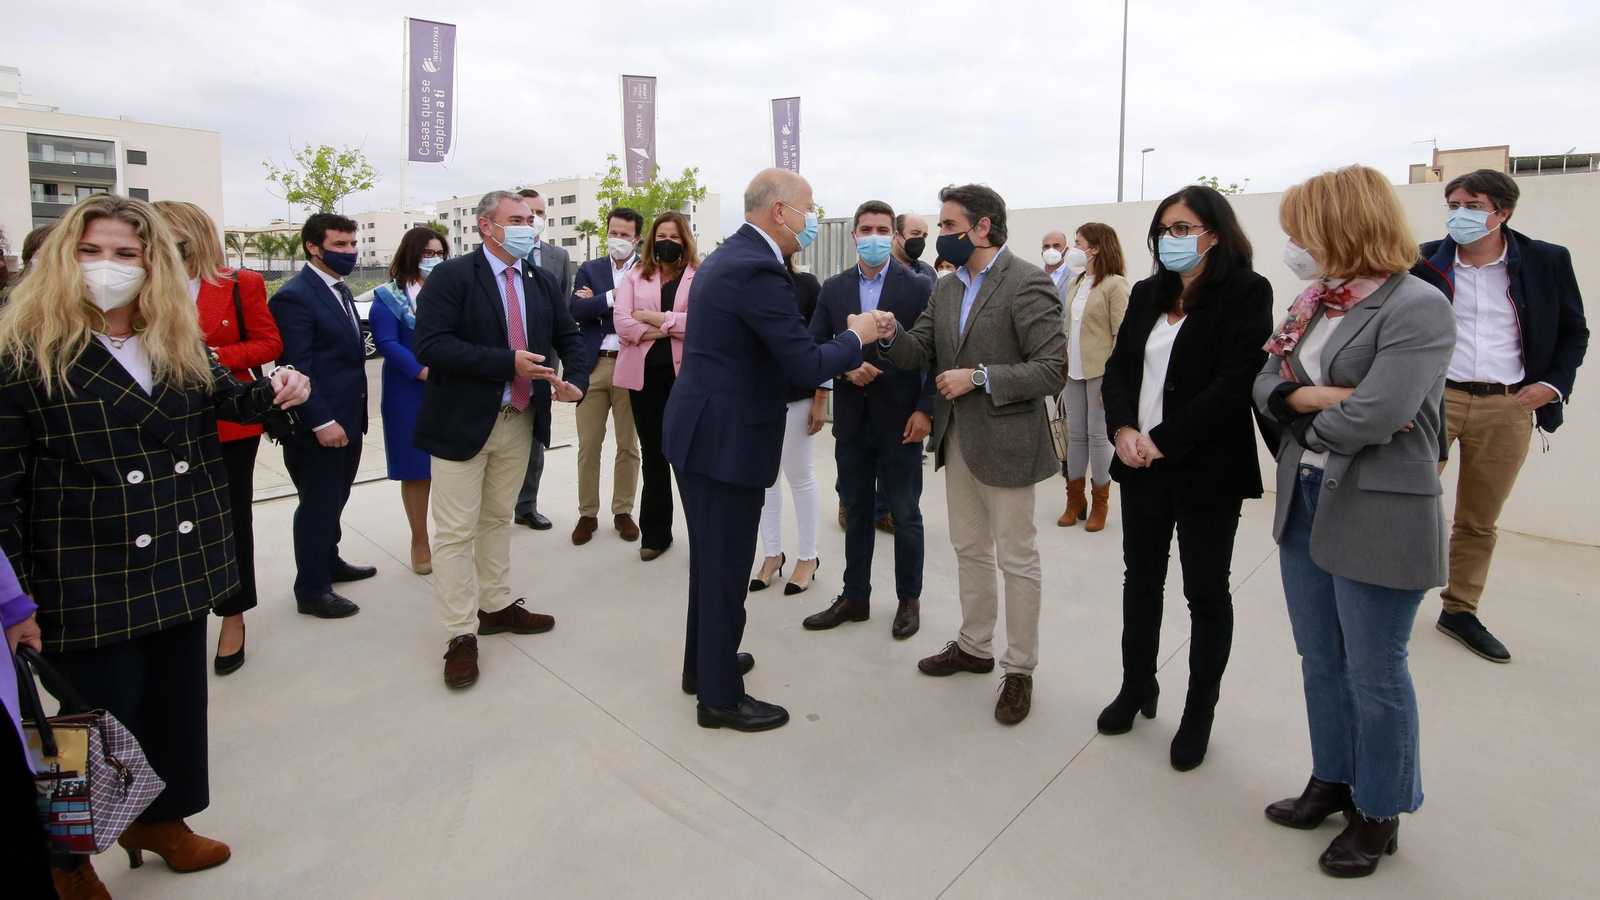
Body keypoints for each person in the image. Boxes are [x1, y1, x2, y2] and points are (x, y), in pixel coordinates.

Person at [0, 194, 311, 896]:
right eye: (90, 251)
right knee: (81, 729)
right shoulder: (22, 352)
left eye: (126, 254)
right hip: (81, 570)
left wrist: (275, 392)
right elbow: (2, 494)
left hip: (177, 556)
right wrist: (14, 601)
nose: (106, 267)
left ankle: (160, 821)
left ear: (154, 267)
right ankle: (68, 860)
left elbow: (223, 403)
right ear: (62, 257)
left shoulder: (174, 337)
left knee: (175, 708)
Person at [1255, 165, 1456, 878]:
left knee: (1375, 671)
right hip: (1305, 497)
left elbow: (1379, 414)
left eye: (1302, 230)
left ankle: (1379, 808)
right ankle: (1333, 779)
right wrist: (1312, 399)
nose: (1294, 244)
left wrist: (1301, 411)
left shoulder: (1417, 306)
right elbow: (1265, 384)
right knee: (1321, 660)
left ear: (1341, 226)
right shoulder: (1313, 301)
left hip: (1378, 506)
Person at [664, 168, 881, 732]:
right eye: (808, 207)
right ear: (780, 211)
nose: (812, 219)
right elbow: (803, 362)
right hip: (724, 441)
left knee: (710, 564)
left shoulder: (730, 255)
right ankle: (719, 698)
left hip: (703, 431)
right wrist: (856, 336)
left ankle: (703, 665)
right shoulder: (758, 267)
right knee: (724, 569)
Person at [875, 183, 1066, 725]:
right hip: (956, 441)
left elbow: (1052, 369)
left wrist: (980, 378)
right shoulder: (947, 287)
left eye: (948, 226)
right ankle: (975, 645)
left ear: (983, 227)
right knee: (969, 550)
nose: (940, 235)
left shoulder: (1026, 281)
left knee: (1017, 559)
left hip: (1007, 446)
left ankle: (1020, 669)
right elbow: (921, 349)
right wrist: (889, 334)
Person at [1097, 185, 1272, 770]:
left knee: (1206, 593)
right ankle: (1137, 686)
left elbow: (1234, 383)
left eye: (1183, 228)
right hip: (1139, 465)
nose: (1170, 239)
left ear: (1214, 234)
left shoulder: (1247, 291)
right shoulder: (1147, 293)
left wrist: (1162, 439)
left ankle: (1198, 714)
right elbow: (1118, 369)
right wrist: (1124, 428)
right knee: (1141, 581)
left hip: (1206, 469)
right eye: (1164, 230)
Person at [1411, 169, 1588, 663]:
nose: (1459, 214)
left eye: (1473, 206)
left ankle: (1459, 610)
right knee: (1405, 503)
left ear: (1503, 212)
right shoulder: (1422, 261)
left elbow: (1574, 331)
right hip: (1436, 401)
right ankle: (1387, 600)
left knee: (1479, 520)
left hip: (1508, 406)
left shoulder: (1546, 260)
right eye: (1453, 205)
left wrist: (1553, 385)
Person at [412, 191, 586, 689]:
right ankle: (460, 634)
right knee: (454, 533)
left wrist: (575, 379)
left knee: (495, 521)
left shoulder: (540, 280)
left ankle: (495, 605)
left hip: (520, 419)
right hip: (462, 423)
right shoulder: (452, 277)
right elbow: (431, 345)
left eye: (531, 219)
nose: (528, 226)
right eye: (517, 219)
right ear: (487, 226)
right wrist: (506, 362)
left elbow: (570, 337)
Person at [155, 200, 283, 676]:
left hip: (228, 421)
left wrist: (205, 358)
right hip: (158, 426)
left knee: (230, 521)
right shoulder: (143, 284)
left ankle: (233, 616)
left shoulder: (238, 283)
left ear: (192, 237)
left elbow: (269, 343)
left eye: (168, 235)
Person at [803, 200, 934, 639]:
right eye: (866, 229)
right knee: (857, 511)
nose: (873, 237)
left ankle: (908, 600)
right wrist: (845, 368)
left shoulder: (918, 287)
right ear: (853, 235)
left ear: (893, 236)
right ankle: (855, 597)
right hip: (853, 421)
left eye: (882, 229)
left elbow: (936, 354)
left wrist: (926, 410)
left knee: (906, 514)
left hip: (902, 421)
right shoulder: (834, 288)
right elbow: (814, 345)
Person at [268, 211, 375, 619]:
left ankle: (329, 561)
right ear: (313, 247)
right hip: (319, 425)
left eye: (353, 244)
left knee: (335, 499)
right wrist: (322, 421)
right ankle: (312, 589)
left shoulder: (339, 290)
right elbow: (297, 367)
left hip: (348, 419)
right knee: (316, 505)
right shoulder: (294, 296)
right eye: (340, 245)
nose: (350, 251)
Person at [614, 211, 698, 562]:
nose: (668, 242)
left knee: (690, 457)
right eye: (662, 235)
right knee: (653, 454)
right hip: (644, 379)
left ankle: (702, 535)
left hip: (686, 379)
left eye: (675, 237)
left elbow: (702, 322)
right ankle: (656, 534)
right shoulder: (636, 275)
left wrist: (653, 318)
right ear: (652, 239)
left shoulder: (698, 275)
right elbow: (622, 324)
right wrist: (670, 327)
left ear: (685, 240)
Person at [367, 226, 448, 575]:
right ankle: (420, 540)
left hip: (452, 388)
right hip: (408, 389)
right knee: (416, 469)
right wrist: (422, 371)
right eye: (427, 253)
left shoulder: (451, 289)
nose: (434, 259)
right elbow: (386, 343)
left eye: (439, 253)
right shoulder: (388, 296)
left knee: (454, 467)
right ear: (412, 254)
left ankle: (452, 539)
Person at [566, 207, 645, 546]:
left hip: (630, 363)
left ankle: (623, 511)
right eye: (613, 232)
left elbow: (645, 315)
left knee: (628, 444)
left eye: (625, 234)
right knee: (588, 445)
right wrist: (615, 297)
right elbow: (576, 310)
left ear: (637, 238)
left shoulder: (647, 270)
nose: (617, 239)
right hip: (593, 365)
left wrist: (599, 305)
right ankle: (587, 513)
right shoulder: (590, 268)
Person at [750, 252, 828, 594]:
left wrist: (821, 397)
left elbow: (822, 341)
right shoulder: (747, 285)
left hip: (798, 396)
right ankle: (772, 555)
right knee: (765, 482)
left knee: (800, 477)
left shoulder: (807, 285)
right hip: (756, 397)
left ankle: (808, 557)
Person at [1055, 223, 1130, 533]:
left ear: (1095, 248)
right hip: (1074, 372)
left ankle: (1100, 503)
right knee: (1075, 436)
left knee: (1099, 437)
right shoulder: (1075, 282)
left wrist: (1114, 381)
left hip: (1101, 372)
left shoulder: (1115, 284)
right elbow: (1068, 328)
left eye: (1078, 243)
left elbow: (1122, 336)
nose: (1073, 249)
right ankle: (1075, 500)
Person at [512, 188, 573, 532]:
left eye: (539, 214)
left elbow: (561, 311)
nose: (534, 220)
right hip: (504, 358)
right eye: (527, 213)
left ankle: (526, 505)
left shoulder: (558, 256)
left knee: (536, 432)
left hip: (543, 359)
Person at [892, 211, 937, 283]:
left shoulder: (929, 271)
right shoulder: (881, 269)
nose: (921, 239)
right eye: (915, 233)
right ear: (896, 235)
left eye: (924, 236)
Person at [1041, 229, 1076, 296]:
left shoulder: (1075, 279)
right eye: (1047, 246)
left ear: (1065, 250)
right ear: (1042, 250)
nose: (1051, 250)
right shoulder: (1033, 277)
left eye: (1056, 246)